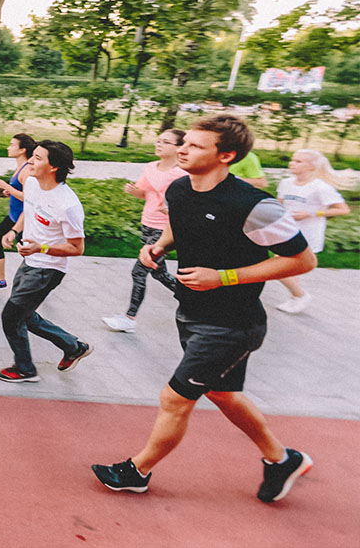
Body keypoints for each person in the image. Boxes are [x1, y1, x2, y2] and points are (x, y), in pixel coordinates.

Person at [92, 115, 316, 503]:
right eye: (185, 142)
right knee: (224, 395)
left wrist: (224, 277)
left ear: (226, 155)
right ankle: (281, 460)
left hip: (232, 323)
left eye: (195, 146)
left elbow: (302, 261)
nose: (182, 149)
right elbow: (180, 225)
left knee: (175, 398)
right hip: (191, 312)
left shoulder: (254, 206)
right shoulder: (180, 189)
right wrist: (159, 247)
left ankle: (137, 470)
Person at [0, 140, 92, 383]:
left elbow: (77, 248)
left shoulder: (68, 204)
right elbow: (30, 209)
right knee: (25, 317)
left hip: (48, 269)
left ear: (53, 167)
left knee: (11, 316)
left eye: (38, 158)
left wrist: (43, 248)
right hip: (30, 262)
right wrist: (15, 231)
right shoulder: (31, 183)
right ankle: (73, 347)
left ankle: (25, 369)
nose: (30, 161)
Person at [102, 130, 187, 332]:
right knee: (159, 273)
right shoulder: (150, 167)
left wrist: (174, 207)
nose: (159, 144)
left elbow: (190, 201)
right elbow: (145, 193)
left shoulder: (183, 173)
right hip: (147, 223)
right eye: (158, 141)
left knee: (139, 271)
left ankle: (129, 318)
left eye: (166, 142)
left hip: (166, 229)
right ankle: (196, 300)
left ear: (179, 148)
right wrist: (135, 192)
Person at [273, 149, 349, 314]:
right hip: (286, 232)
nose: (292, 163)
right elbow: (280, 206)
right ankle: (296, 297)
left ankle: (299, 296)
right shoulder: (285, 183)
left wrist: (311, 213)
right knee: (281, 268)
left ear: (311, 166)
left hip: (307, 235)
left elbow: (343, 210)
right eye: (293, 160)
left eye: (299, 161)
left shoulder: (320, 188)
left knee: (278, 269)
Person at [0, 133, 36, 291]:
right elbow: (19, 191)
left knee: (30, 254)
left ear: (22, 150)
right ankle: (0, 280)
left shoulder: (27, 170)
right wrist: (10, 192)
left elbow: (30, 198)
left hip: (24, 220)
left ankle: (39, 281)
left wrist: (6, 187)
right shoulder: (20, 167)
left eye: (12, 145)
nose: (8, 147)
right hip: (13, 217)